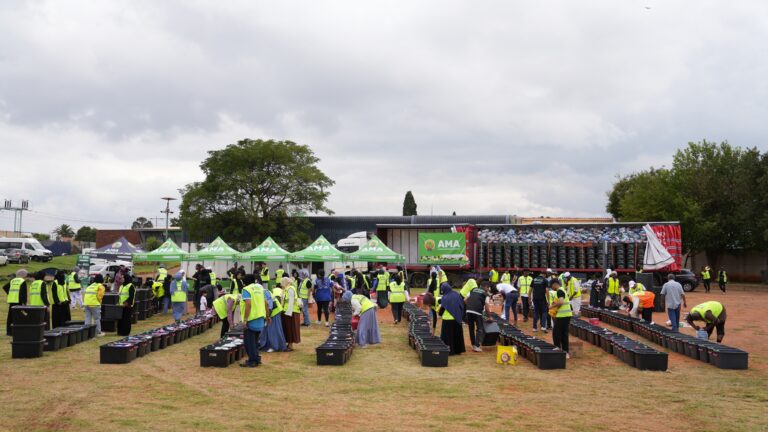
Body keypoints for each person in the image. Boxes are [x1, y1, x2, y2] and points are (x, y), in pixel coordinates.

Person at [240, 275, 270, 367]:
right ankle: (256, 358)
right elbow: (266, 303)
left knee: (249, 342)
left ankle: (252, 361)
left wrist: (245, 319)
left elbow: (248, 304)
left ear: (244, 282)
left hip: (251, 319)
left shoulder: (246, 289)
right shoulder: (260, 288)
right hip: (260, 317)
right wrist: (267, 316)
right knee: (255, 341)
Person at [438, 283, 465, 356]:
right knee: (457, 335)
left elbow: (442, 309)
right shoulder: (457, 294)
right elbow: (462, 304)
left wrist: (439, 314)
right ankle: (458, 350)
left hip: (447, 320)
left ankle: (450, 351)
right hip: (457, 318)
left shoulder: (445, 297)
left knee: (448, 337)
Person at [548, 280, 572, 359]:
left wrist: (551, 307)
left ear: (555, 284)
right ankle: (563, 351)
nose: (552, 288)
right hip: (565, 315)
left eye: (551, 286)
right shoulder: (562, 290)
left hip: (563, 315)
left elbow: (561, 302)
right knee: (562, 333)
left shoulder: (559, 291)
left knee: (558, 333)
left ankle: (561, 350)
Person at [465, 281, 491, 352]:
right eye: (488, 287)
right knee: (480, 329)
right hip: (477, 312)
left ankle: (473, 345)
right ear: (485, 287)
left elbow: (465, 300)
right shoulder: (485, 294)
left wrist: (470, 306)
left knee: (471, 328)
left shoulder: (472, 290)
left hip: (469, 311)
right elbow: (487, 308)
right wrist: (489, 317)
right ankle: (476, 346)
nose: (488, 289)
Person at [260, 285, 286, 353]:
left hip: (274, 312)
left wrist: (268, 316)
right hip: (271, 312)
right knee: (269, 329)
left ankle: (275, 346)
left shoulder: (264, 292)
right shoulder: (263, 291)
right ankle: (268, 345)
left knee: (274, 330)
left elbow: (270, 305)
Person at [3, 269, 29, 335]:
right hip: (19, 301)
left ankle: (9, 331)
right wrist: (24, 302)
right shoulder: (22, 281)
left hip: (12, 300)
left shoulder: (13, 280)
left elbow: (5, 287)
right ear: (23, 275)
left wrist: (10, 294)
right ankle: (17, 331)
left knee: (10, 316)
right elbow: (23, 293)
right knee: (18, 317)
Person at [281, 277, 302, 351]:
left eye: (282, 282)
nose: (281, 284)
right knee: (288, 328)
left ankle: (290, 345)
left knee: (290, 329)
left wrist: (288, 313)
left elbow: (291, 301)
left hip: (291, 312)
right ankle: (289, 344)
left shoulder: (290, 289)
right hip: (287, 311)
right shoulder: (286, 289)